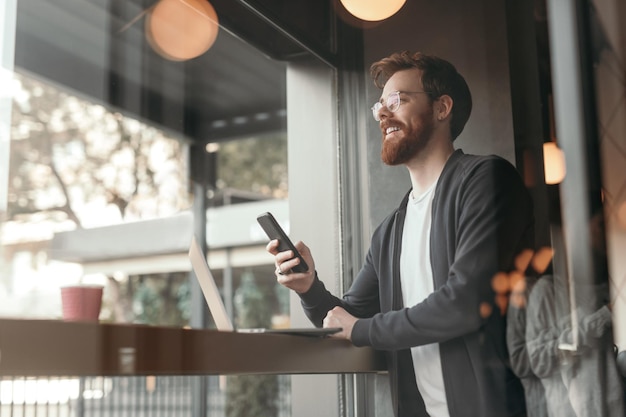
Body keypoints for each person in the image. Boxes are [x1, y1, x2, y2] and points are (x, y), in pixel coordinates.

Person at [267, 51, 534, 417]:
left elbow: (466, 301)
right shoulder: (391, 230)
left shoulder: (485, 180)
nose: (381, 113)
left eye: (397, 100)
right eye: (379, 105)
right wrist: (309, 288)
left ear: (442, 108)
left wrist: (361, 329)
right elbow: (349, 319)